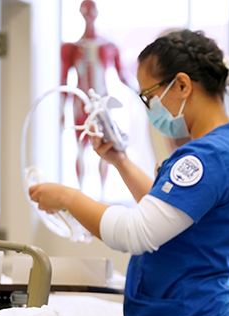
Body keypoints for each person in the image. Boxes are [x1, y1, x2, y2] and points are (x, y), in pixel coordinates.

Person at [30, 29, 229, 316]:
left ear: (182, 85)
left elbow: (137, 232)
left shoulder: (208, 156)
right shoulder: (226, 145)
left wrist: (68, 198)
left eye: (149, 95)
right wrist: (119, 160)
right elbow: (170, 213)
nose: (149, 107)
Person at [60, 0, 131, 191]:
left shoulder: (108, 46)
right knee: (81, 147)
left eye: (92, 12)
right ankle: (82, 192)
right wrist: (61, 110)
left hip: (103, 102)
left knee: (106, 146)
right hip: (80, 103)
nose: (89, 16)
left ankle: (102, 194)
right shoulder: (71, 48)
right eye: (86, 12)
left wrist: (142, 93)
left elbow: (122, 75)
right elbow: (63, 80)